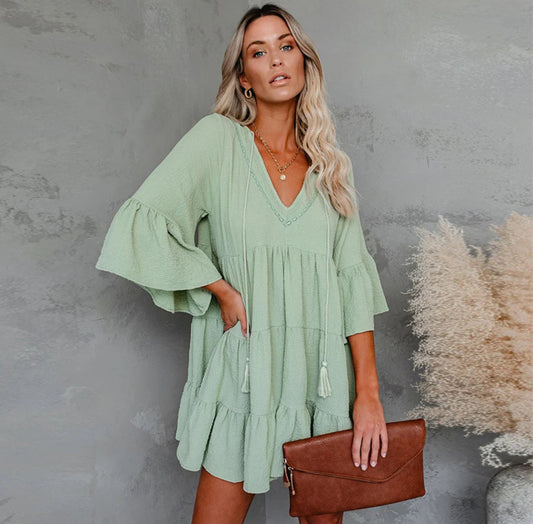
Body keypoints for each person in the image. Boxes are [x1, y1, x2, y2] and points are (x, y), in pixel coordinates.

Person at [95, 4, 390, 524]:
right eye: (259, 52)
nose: (276, 59)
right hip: (245, 370)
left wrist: (367, 395)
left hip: (322, 378)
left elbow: (352, 285)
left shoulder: (330, 167)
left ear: (303, 63)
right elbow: (143, 221)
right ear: (244, 77)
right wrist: (221, 288)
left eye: (286, 46)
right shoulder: (216, 141)